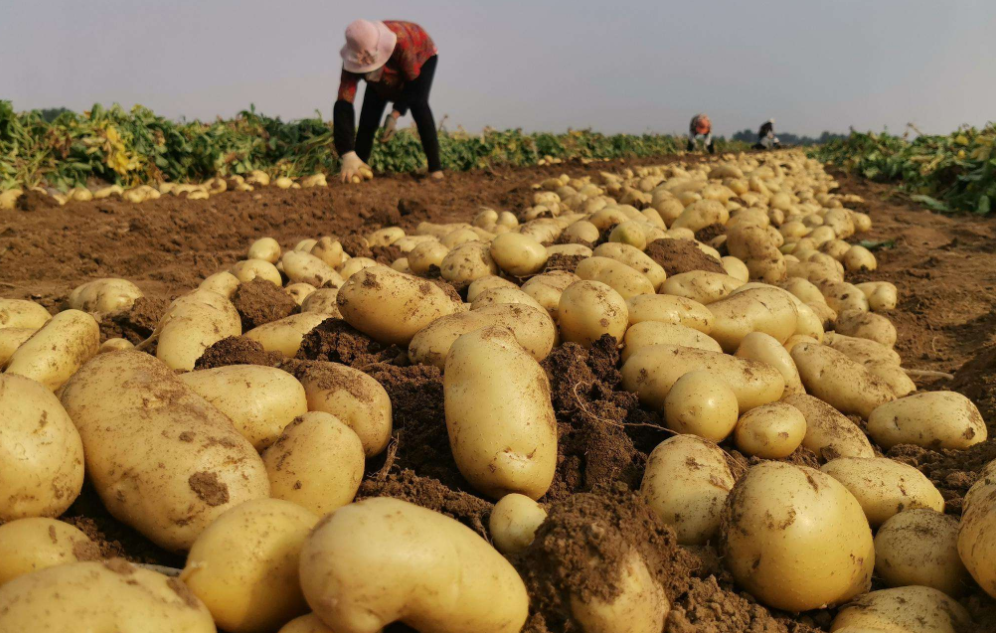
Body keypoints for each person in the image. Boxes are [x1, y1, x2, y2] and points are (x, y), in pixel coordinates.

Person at [334, 20, 442, 182]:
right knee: (368, 116)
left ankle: (435, 168)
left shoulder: (401, 44)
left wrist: (395, 114)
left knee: (419, 105)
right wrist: (347, 152)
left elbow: (413, 85)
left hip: (421, 56)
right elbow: (344, 101)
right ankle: (359, 164)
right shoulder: (354, 56)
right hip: (382, 71)